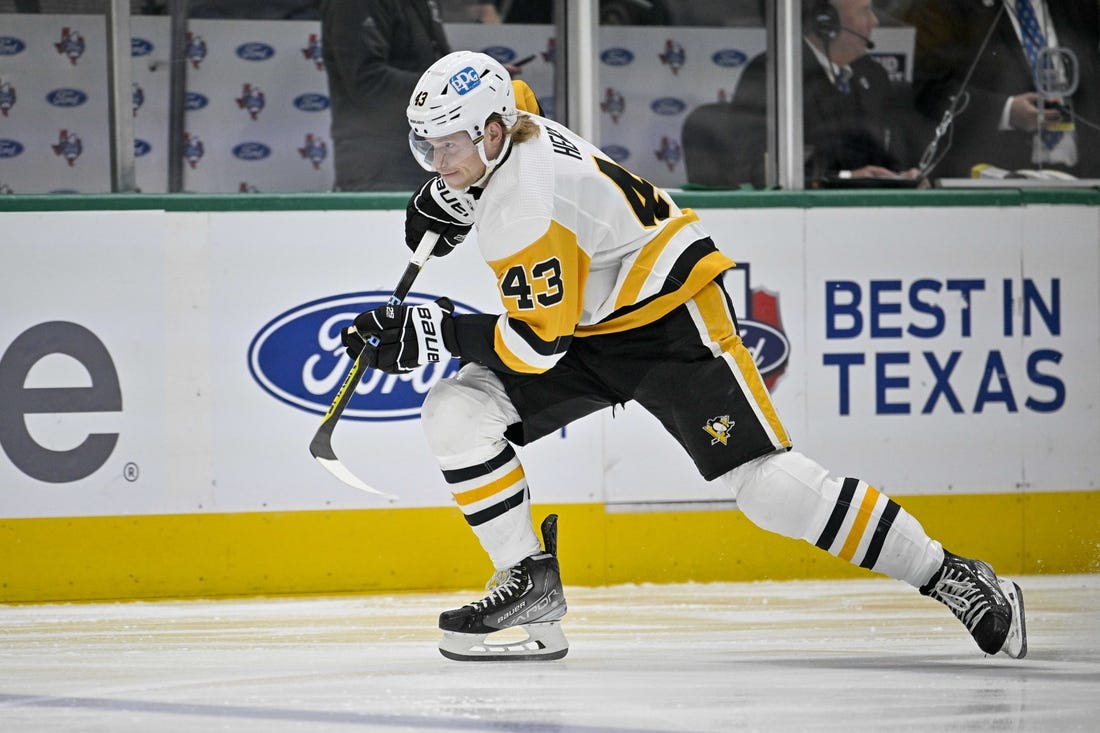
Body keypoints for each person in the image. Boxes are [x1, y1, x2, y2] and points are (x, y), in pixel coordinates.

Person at [340, 50, 1028, 662]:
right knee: (457, 412)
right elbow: (520, 94)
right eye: (425, 147)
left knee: (768, 487)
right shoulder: (506, 120)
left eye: (448, 146)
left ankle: (954, 574)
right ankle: (531, 590)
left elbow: (533, 347)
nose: (436, 162)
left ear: (492, 136)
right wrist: (452, 192)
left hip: (668, 316)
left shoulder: (524, 210)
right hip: (587, 312)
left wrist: (435, 333)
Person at [684, 0, 927, 188]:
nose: (874, 21)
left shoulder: (873, 75)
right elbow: (756, 168)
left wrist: (900, 176)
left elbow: (883, 151)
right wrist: (844, 178)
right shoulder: (774, 74)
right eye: (864, 11)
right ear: (827, 22)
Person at [904, 0, 1100, 179]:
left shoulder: (1079, 5)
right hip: (995, 178)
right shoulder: (948, 7)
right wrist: (1006, 110)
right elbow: (928, 90)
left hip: (1085, 176)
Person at [320, 0, 450, 190]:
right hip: (382, 167)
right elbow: (366, 82)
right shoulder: (354, 5)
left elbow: (434, 67)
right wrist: (447, 85)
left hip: (431, 156)